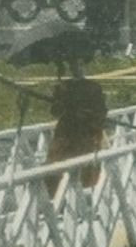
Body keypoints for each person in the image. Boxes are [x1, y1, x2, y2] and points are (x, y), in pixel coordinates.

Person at [46, 57, 107, 192]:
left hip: (84, 132)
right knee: (56, 161)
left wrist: (88, 117)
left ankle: (84, 194)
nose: (76, 69)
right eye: (73, 66)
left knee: (84, 163)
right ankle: (53, 195)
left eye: (79, 65)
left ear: (84, 67)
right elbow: (55, 112)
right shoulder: (63, 87)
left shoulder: (93, 87)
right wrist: (58, 96)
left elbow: (101, 111)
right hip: (65, 133)